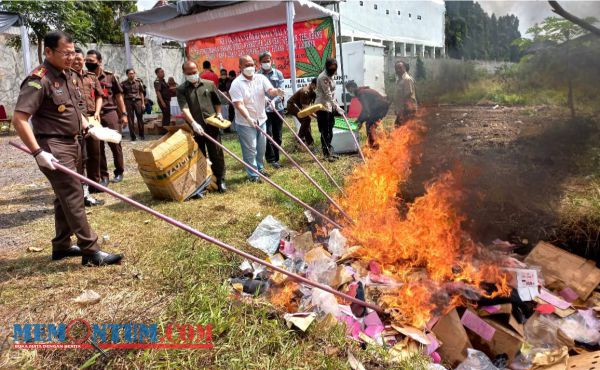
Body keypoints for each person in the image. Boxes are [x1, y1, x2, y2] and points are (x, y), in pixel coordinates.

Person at [11, 31, 123, 266]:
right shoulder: (38, 79)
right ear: (48, 52)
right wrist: (37, 152)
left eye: (73, 52)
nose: (71, 57)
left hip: (74, 142)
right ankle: (91, 252)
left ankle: (61, 246)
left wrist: (90, 126)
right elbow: (20, 118)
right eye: (66, 53)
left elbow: (75, 109)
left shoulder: (68, 76)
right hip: (53, 146)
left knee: (64, 197)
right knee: (73, 195)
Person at [229, 55, 284, 182]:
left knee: (261, 148)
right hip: (245, 122)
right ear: (240, 67)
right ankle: (253, 175)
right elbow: (238, 104)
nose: (249, 67)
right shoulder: (236, 84)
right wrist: (248, 118)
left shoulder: (261, 78)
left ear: (255, 66)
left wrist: (277, 92)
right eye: (246, 65)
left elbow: (270, 90)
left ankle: (260, 168)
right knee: (250, 148)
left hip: (261, 119)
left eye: (251, 65)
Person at [177, 61, 227, 193]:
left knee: (216, 152)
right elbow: (185, 108)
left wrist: (219, 114)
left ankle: (221, 179)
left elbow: (217, 102)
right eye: (189, 73)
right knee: (199, 154)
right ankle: (203, 183)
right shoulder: (181, 89)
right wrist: (193, 123)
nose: (193, 74)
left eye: (194, 72)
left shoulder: (209, 84)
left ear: (197, 70)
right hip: (195, 127)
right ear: (184, 73)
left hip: (211, 125)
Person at [86, 49, 127, 186]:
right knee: (98, 147)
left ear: (99, 61)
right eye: (87, 61)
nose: (88, 63)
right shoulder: (86, 77)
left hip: (110, 113)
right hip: (93, 116)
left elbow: (118, 96)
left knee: (115, 143)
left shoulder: (110, 77)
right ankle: (104, 176)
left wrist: (124, 114)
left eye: (91, 61)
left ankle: (119, 171)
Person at [71, 47, 104, 206]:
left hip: (92, 118)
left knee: (95, 152)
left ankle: (94, 184)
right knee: (81, 156)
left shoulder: (91, 76)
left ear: (83, 60)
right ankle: (82, 189)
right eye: (75, 59)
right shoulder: (67, 77)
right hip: (77, 119)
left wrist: (97, 111)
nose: (78, 62)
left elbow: (99, 96)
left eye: (80, 59)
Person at [257, 51, 285, 169]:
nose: (266, 63)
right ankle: (271, 159)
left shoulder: (278, 74)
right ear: (260, 63)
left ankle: (276, 157)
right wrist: (266, 101)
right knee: (268, 134)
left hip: (278, 109)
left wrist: (275, 100)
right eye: (264, 61)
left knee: (277, 135)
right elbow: (257, 92)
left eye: (268, 61)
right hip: (264, 110)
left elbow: (281, 90)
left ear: (271, 61)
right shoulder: (257, 76)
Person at [345, 81, 390, 149]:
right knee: (370, 124)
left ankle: (373, 146)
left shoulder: (361, 93)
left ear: (351, 88)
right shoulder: (361, 92)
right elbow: (365, 109)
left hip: (380, 108)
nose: (349, 92)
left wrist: (360, 121)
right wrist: (359, 120)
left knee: (369, 124)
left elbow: (366, 111)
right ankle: (373, 144)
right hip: (378, 107)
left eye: (348, 90)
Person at [315, 58, 343, 160]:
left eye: (335, 67)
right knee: (324, 131)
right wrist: (337, 106)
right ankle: (326, 154)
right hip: (322, 106)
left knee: (330, 129)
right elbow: (328, 94)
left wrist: (336, 105)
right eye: (331, 67)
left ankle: (329, 151)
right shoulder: (323, 77)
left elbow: (333, 93)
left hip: (329, 106)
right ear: (327, 66)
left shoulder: (331, 75)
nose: (333, 69)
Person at [287, 78, 317, 149]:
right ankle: (299, 138)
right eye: (317, 86)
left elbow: (310, 106)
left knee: (306, 123)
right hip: (292, 105)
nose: (318, 88)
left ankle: (310, 143)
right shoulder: (305, 91)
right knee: (307, 119)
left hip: (299, 106)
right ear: (313, 84)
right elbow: (306, 109)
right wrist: (316, 117)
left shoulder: (312, 92)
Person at [121, 69, 146, 141]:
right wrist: (123, 105)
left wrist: (143, 103)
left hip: (138, 101)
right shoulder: (123, 83)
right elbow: (122, 95)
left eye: (132, 73)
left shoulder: (138, 82)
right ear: (127, 74)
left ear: (134, 74)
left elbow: (141, 93)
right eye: (130, 73)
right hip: (128, 102)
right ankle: (133, 136)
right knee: (130, 119)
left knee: (140, 118)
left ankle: (142, 135)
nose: (131, 75)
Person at [394, 61, 417, 127]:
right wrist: (397, 109)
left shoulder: (407, 79)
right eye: (396, 68)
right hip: (402, 109)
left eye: (400, 68)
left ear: (405, 68)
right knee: (399, 127)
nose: (398, 70)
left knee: (403, 128)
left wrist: (401, 110)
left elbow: (408, 95)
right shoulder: (399, 80)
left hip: (407, 109)